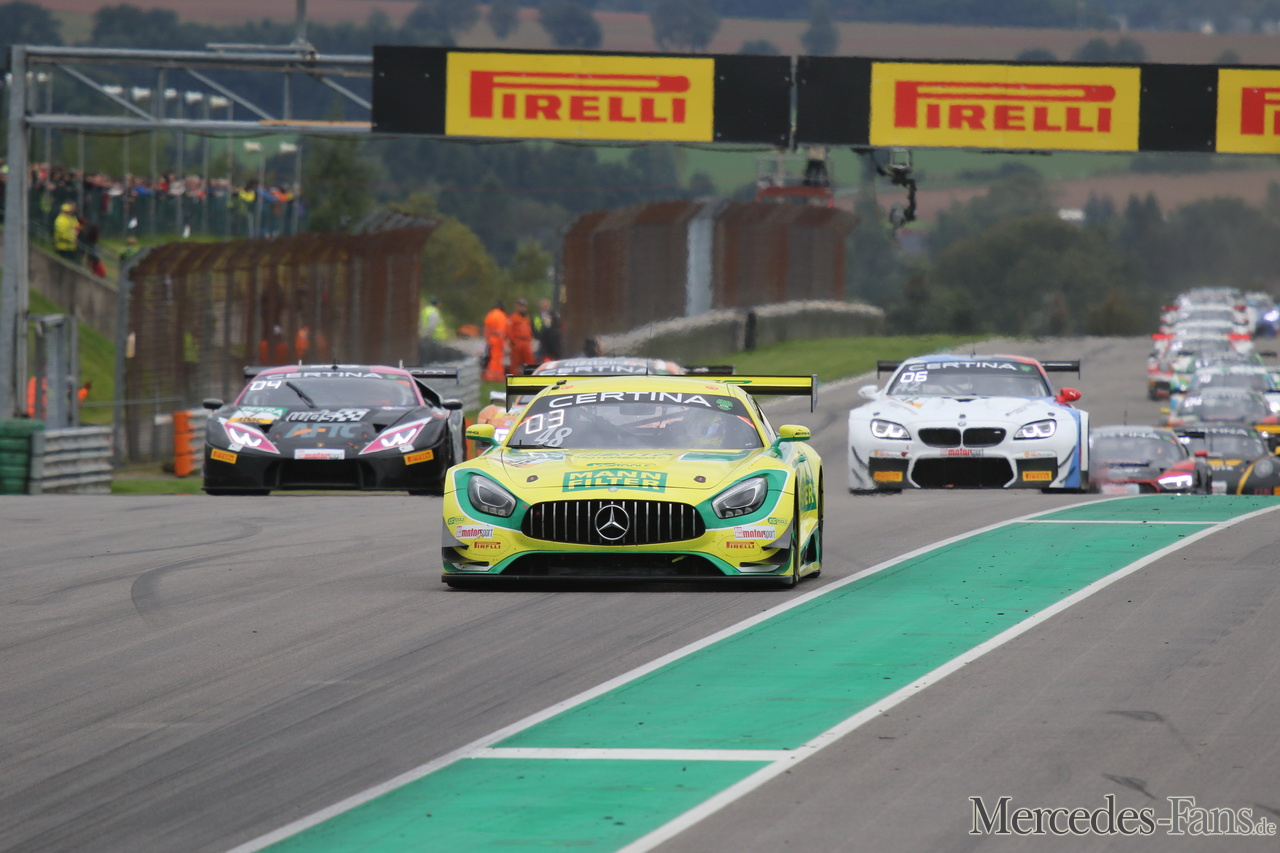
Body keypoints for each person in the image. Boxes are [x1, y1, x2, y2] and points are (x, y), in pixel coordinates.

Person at [507, 298, 535, 376]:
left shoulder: (527, 318)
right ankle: (514, 376)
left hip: (526, 342)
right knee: (515, 362)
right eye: (520, 306)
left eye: (523, 306)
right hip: (517, 342)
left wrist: (529, 340)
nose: (522, 308)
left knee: (530, 360)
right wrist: (513, 341)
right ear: (516, 307)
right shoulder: (513, 317)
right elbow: (509, 330)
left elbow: (529, 330)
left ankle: (531, 375)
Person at [482, 300, 508, 382]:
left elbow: (486, 329)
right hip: (498, 340)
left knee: (491, 357)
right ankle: (494, 376)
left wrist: (488, 339)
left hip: (491, 339)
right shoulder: (501, 316)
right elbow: (502, 330)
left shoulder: (490, 315)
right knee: (496, 359)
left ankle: (493, 375)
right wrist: (504, 341)